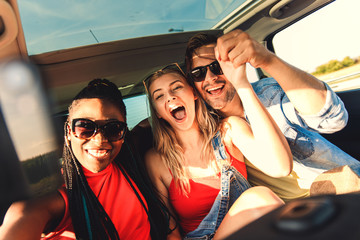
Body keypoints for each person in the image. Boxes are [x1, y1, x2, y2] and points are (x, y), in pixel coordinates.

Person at [185, 30, 360, 202]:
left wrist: (268, 60)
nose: (210, 77)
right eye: (198, 73)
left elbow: (333, 119)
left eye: (218, 66)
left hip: (337, 189)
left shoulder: (269, 94)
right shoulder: (207, 131)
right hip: (283, 213)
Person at [0, 79, 170, 240]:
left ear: (123, 133)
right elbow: (25, 214)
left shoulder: (127, 156)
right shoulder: (61, 193)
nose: (100, 139)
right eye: (85, 127)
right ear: (68, 132)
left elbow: (143, 126)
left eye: (113, 128)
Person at [143, 62, 292, 239]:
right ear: (158, 112)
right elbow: (171, 232)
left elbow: (280, 166)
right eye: (159, 96)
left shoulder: (229, 130)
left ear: (194, 94)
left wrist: (243, 85)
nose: (170, 98)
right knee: (260, 198)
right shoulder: (156, 160)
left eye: (177, 88)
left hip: (247, 233)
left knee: (261, 199)